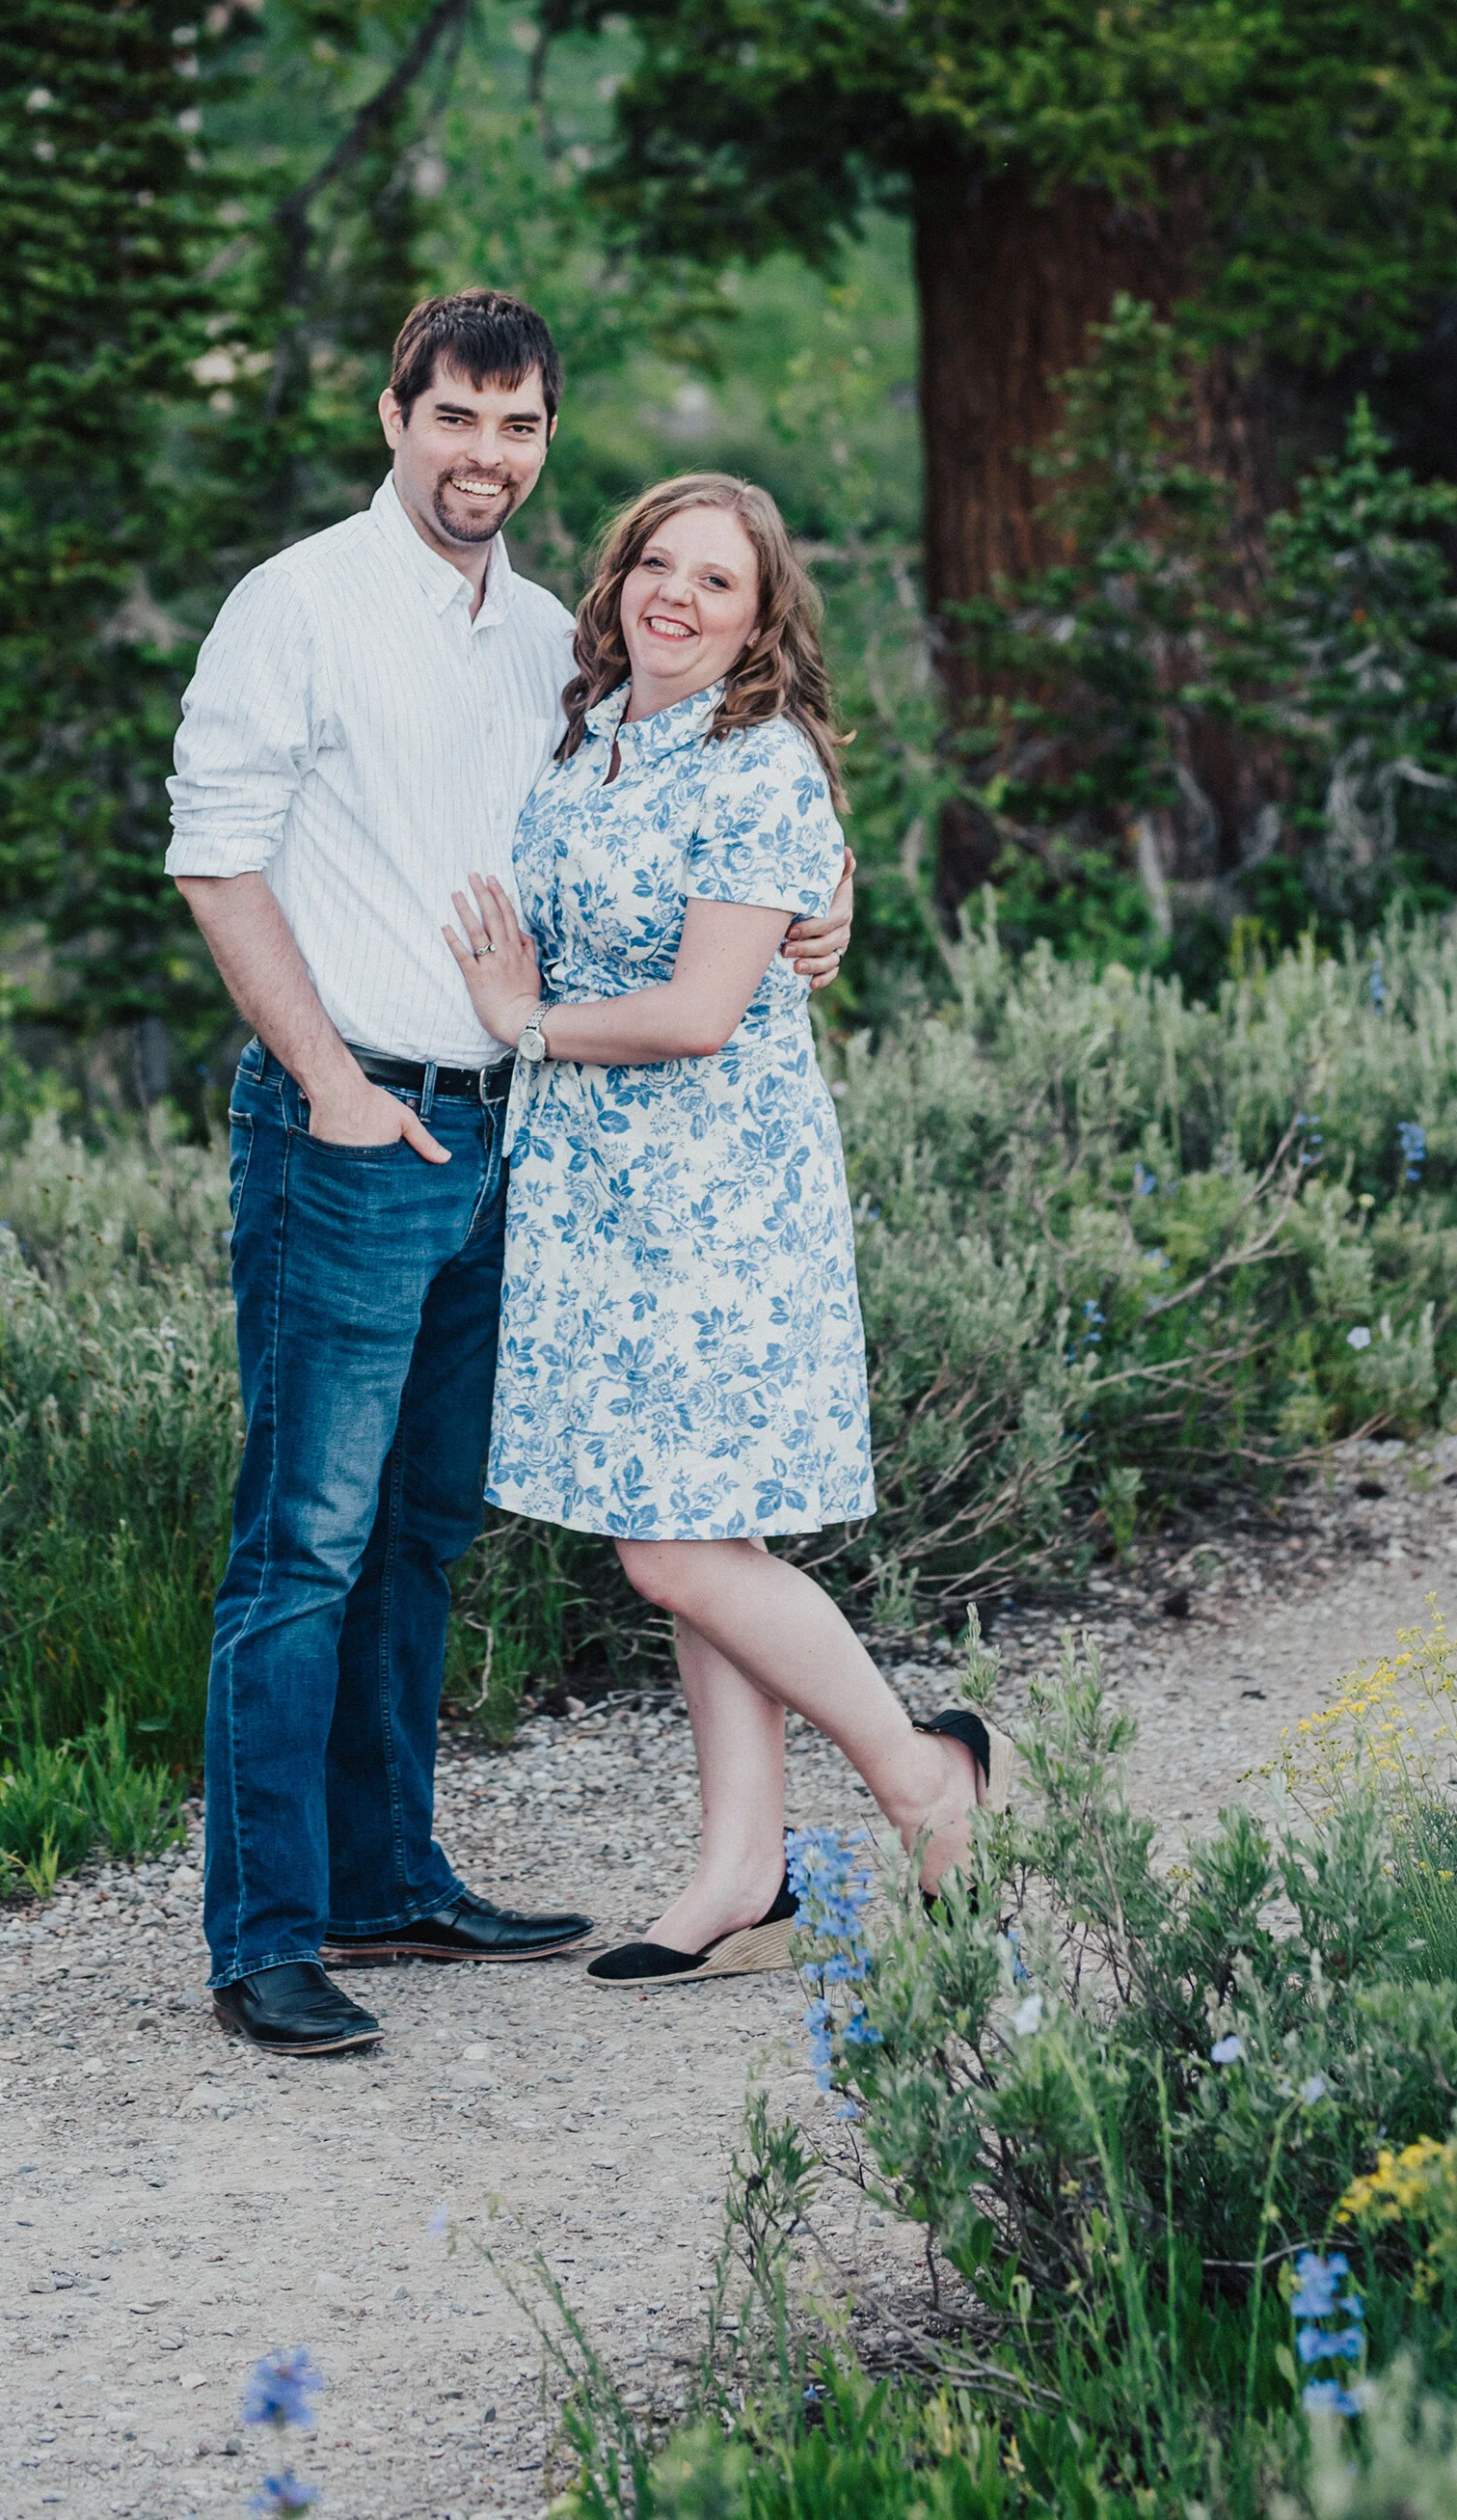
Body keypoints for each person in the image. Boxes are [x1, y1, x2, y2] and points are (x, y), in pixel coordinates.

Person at [168, 294, 852, 2056]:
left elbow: (704, 801)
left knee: (420, 1527)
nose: (487, 455)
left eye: (520, 425)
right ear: (393, 415)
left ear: (547, 440)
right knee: (302, 1541)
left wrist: (825, 904)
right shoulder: (297, 605)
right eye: (457, 417)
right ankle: (266, 1933)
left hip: (515, 1140)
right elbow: (216, 857)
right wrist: (328, 1085)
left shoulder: (555, 636)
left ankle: (390, 1875)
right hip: (352, 1123)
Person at [443, 473, 1008, 1982]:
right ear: (618, 574)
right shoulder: (588, 738)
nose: (675, 597)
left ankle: (923, 1777)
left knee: (674, 1551)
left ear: (762, 622)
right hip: (598, 1202)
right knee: (707, 1525)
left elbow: (700, 1011)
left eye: (716, 582)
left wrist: (521, 1020)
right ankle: (744, 1872)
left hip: (718, 1200)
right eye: (657, 563)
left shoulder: (757, 762)